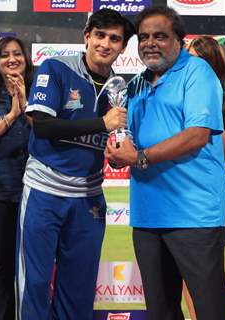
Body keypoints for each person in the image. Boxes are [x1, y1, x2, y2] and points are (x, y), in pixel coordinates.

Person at [105, 6, 225, 320]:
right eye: (144, 37)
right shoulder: (134, 85)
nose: (150, 43)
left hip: (194, 216)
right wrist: (116, 150)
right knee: (160, 312)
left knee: (210, 310)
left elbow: (197, 135)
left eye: (160, 36)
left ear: (179, 39)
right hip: (148, 216)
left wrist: (138, 157)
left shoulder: (198, 72)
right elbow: (129, 138)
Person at [15, 9, 135, 320]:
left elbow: (120, 139)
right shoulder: (56, 68)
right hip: (44, 192)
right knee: (36, 284)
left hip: (88, 198)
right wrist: (101, 123)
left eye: (114, 39)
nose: (105, 44)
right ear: (86, 36)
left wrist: (119, 148)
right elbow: (41, 125)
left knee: (78, 289)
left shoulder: (120, 91)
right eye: (100, 35)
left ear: (123, 48)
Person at [182, 35, 225, 320]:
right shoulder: (177, 93)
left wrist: (203, 124)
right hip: (178, 190)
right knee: (182, 272)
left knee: (209, 272)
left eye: (194, 57)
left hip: (209, 194)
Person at [0, 36, 33, 320]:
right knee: (2, 267)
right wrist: (12, 112)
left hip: (35, 195)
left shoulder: (39, 91)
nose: (12, 59)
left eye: (17, 53)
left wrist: (26, 104)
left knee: (34, 266)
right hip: (0, 195)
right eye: (4, 55)